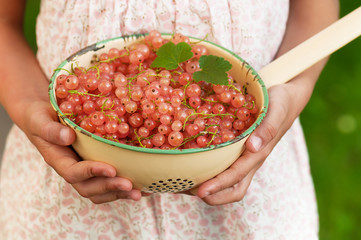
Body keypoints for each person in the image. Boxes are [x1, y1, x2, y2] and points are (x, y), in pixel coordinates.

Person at [0, 0, 339, 239]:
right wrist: (33, 108)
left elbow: (316, 10)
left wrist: (295, 88)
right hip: (64, 196)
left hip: (252, 190)